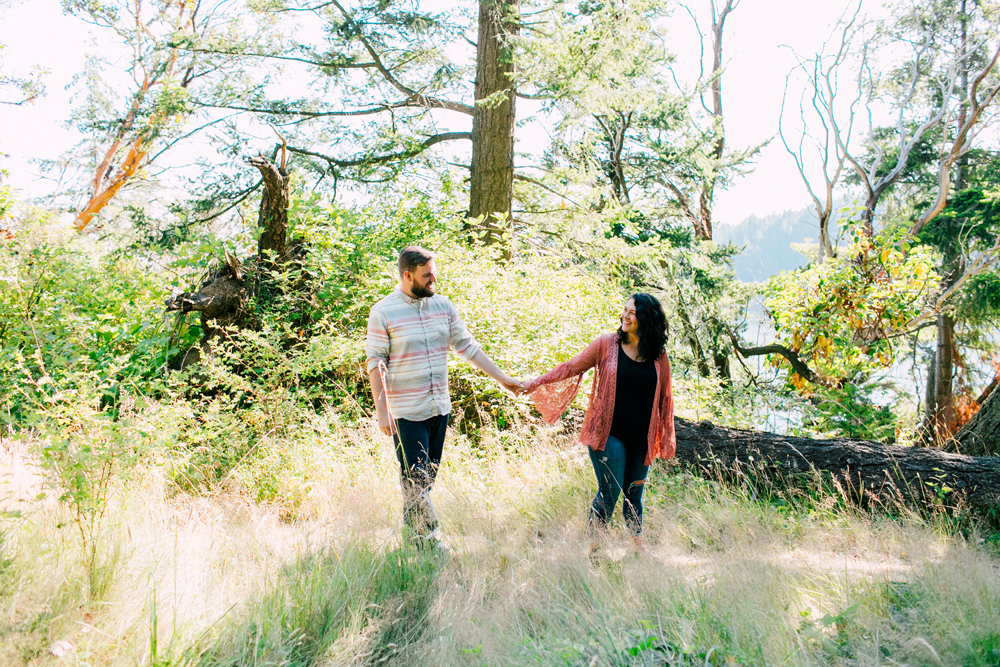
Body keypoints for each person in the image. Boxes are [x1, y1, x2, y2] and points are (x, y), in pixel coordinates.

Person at [366, 246, 522, 547]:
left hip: (439, 407)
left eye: (433, 273)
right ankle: (431, 542)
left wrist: (503, 380)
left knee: (425, 480)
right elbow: (376, 363)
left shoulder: (443, 306)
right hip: (407, 411)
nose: (433, 279)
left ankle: (414, 541)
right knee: (415, 478)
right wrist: (382, 411)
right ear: (407, 275)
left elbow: (467, 346)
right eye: (426, 275)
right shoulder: (383, 311)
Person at [520, 293, 675, 541]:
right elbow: (572, 367)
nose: (625, 316)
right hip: (608, 435)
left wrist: (663, 437)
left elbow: (665, 398)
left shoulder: (658, 356)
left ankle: (637, 546)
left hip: (641, 440)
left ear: (647, 318)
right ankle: (592, 546)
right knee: (610, 493)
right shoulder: (607, 344)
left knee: (634, 495)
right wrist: (534, 383)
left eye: (632, 312)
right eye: (625, 310)